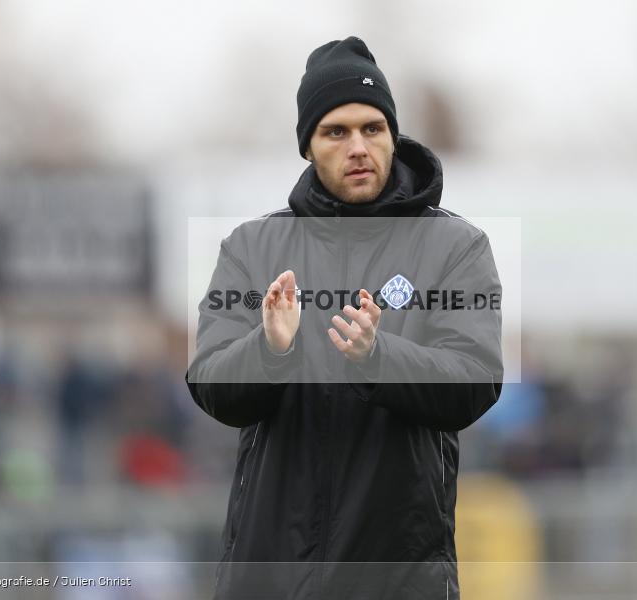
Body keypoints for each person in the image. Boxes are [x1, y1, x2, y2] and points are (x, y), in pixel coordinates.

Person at [186, 36, 503, 599]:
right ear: (308, 147)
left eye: (372, 128)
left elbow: (475, 379)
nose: (358, 146)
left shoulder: (457, 247)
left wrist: (378, 357)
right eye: (336, 132)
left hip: (399, 577)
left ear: (393, 136)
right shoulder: (251, 247)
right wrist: (269, 350)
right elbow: (210, 383)